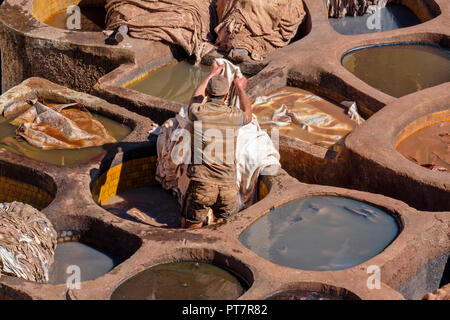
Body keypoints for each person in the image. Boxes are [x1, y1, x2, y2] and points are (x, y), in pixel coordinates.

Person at [181, 61, 252, 229]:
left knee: (190, 229)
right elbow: (248, 115)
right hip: (228, 186)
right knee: (226, 230)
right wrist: (240, 88)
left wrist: (212, 74)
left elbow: (197, 97)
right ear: (227, 96)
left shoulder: (197, 112)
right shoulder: (234, 115)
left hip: (202, 185)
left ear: (208, 93)